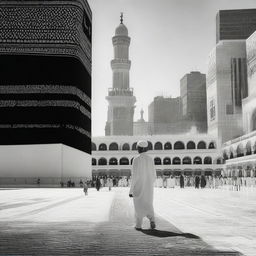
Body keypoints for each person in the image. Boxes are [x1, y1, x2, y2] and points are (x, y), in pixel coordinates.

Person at [129, 140, 156, 231]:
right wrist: (149, 183)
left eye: (138, 147)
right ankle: (152, 220)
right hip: (148, 188)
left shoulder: (136, 159)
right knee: (149, 204)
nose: (137, 149)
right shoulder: (150, 159)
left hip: (138, 187)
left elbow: (135, 175)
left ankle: (138, 225)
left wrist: (131, 190)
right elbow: (154, 175)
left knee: (138, 206)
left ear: (140, 148)